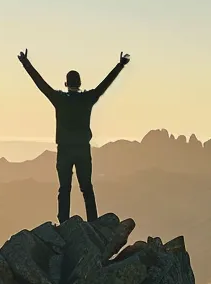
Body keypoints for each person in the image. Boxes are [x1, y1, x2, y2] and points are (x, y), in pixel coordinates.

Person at [18, 49, 129, 222]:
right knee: (86, 187)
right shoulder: (88, 98)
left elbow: (40, 84)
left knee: (64, 188)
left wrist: (26, 63)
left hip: (64, 150)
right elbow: (105, 84)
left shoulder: (59, 99)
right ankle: (93, 221)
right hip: (83, 150)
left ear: (65, 83)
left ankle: (64, 222)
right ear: (80, 83)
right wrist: (120, 65)